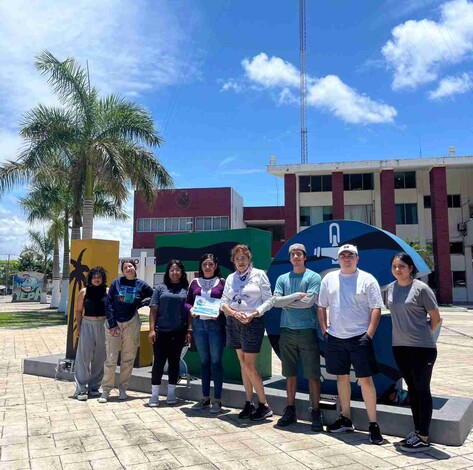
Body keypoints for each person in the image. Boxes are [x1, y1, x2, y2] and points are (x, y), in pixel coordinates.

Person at [318, 244, 385, 445]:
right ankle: (345, 419)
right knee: (341, 378)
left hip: (360, 338)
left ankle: (373, 424)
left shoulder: (367, 279)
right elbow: (321, 306)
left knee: (366, 380)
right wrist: (324, 331)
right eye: (343, 255)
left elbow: (376, 309)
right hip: (336, 338)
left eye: (351, 255)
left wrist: (369, 335)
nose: (347, 258)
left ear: (357, 258)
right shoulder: (329, 279)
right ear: (338, 259)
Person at [387, 252, 442, 452]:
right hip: (400, 347)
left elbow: (436, 319)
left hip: (422, 349)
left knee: (422, 389)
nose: (397, 270)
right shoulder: (390, 289)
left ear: (411, 268)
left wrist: (423, 335)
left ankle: (424, 436)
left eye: (401, 266)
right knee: (412, 389)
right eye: (394, 266)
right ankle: (417, 431)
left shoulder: (422, 289)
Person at [221, 244, 275, 421]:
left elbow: (269, 300)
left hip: (253, 322)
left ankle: (264, 405)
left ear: (249, 258)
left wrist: (254, 313)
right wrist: (233, 313)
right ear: (233, 261)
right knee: (242, 363)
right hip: (234, 321)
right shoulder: (230, 278)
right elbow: (223, 302)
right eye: (237, 259)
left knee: (250, 365)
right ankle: (248, 402)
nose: (240, 261)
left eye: (243, 258)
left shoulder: (259, 274)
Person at [273, 243, 323, 431]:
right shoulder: (282, 278)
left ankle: (316, 412)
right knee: (289, 373)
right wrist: (295, 296)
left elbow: (308, 302)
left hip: (307, 330)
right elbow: (276, 302)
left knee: (312, 374)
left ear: (305, 256)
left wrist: (287, 301)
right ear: (289, 257)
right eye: (293, 254)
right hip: (287, 330)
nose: (296, 256)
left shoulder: (313, 277)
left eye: (299, 253)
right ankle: (290, 409)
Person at [99, 259, 153, 403]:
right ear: (122, 270)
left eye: (130, 266)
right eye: (125, 267)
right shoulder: (116, 283)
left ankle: (123, 388)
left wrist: (143, 303)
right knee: (111, 358)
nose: (128, 269)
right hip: (114, 323)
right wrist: (112, 324)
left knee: (128, 358)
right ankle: (106, 390)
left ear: (135, 268)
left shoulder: (141, 284)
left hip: (131, 322)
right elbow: (108, 303)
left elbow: (154, 295)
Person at [185, 254, 226, 414]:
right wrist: (192, 310)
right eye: (204, 264)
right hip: (199, 326)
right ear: (201, 267)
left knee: (216, 362)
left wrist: (220, 310)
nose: (207, 267)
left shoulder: (222, 282)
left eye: (210, 264)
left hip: (215, 325)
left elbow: (226, 302)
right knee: (204, 362)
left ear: (215, 266)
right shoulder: (194, 282)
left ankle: (217, 399)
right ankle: (204, 398)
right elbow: (187, 302)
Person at [148, 260, 190, 406]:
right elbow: (153, 310)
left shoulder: (186, 289)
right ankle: (154, 394)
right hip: (161, 332)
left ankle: (171, 393)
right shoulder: (160, 288)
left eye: (177, 270)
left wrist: (189, 330)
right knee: (158, 363)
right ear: (167, 272)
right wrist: (152, 330)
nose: (174, 273)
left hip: (178, 332)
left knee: (174, 362)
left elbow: (190, 312)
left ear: (182, 272)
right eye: (172, 270)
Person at [74, 266, 108, 401]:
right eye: (94, 276)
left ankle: (94, 387)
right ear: (90, 278)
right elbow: (78, 311)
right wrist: (78, 327)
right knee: (83, 357)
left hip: (103, 325)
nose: (96, 279)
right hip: (87, 324)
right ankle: (81, 389)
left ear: (103, 279)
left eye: (99, 277)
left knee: (100, 357)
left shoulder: (108, 291)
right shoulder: (84, 292)